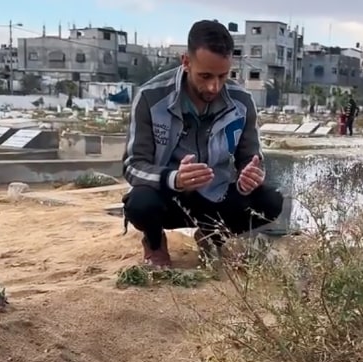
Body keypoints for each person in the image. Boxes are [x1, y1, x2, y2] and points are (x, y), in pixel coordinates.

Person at [121, 20, 284, 268]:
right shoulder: (150, 98)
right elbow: (133, 166)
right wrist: (173, 178)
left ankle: (212, 235)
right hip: (168, 198)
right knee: (140, 204)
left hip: (216, 197)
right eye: (205, 76)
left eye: (222, 76)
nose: (214, 86)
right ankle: (154, 243)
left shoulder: (242, 102)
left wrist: (250, 174)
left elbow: (251, 157)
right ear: (186, 62)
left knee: (270, 201)